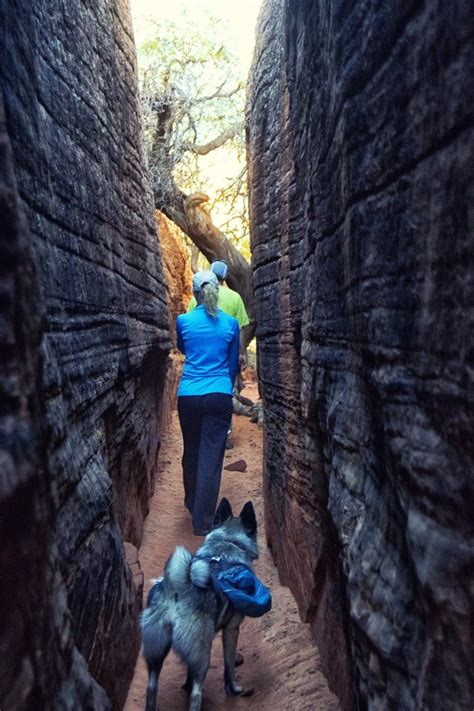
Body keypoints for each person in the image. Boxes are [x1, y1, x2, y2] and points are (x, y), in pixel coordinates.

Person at [176, 270, 240, 536]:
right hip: (218, 395)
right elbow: (233, 363)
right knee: (211, 457)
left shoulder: (183, 321)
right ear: (217, 290)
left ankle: (192, 502)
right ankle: (202, 521)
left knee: (191, 449)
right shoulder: (231, 324)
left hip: (189, 394)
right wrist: (224, 388)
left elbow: (183, 348)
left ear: (194, 293)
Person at [187, 260, 250, 448]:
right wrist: (242, 354)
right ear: (225, 277)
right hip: (227, 354)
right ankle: (225, 433)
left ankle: (201, 431)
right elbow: (240, 330)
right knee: (227, 391)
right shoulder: (235, 297)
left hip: (202, 355)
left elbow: (190, 325)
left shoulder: (194, 298)